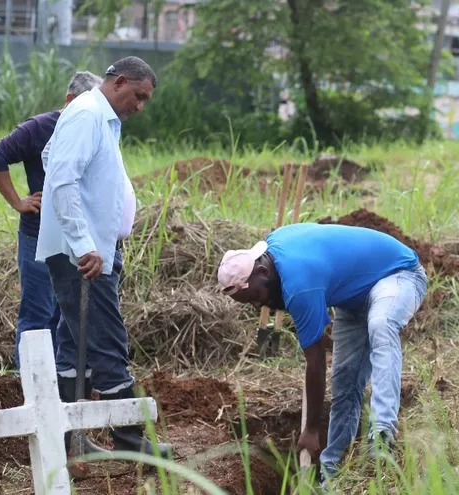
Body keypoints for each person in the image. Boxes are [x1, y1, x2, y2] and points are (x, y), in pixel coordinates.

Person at [216, 223, 428, 484]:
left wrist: (311, 430)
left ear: (262, 270)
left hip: (399, 275)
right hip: (353, 301)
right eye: (252, 303)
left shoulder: (297, 284)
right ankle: (332, 476)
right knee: (345, 385)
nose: (261, 305)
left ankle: (382, 434)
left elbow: (315, 363)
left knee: (381, 324)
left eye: (257, 295)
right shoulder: (274, 250)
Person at [36, 56, 173, 458]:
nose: (140, 106)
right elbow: (60, 178)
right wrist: (84, 242)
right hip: (83, 257)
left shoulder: (100, 117)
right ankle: (132, 441)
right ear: (119, 82)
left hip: (91, 252)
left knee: (73, 344)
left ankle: (70, 441)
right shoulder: (87, 114)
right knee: (106, 340)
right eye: (138, 96)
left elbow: (50, 157)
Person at [0, 71, 103, 370]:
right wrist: (18, 202)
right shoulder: (41, 127)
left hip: (75, 238)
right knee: (38, 312)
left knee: (64, 314)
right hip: (38, 234)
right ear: (69, 100)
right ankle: (29, 385)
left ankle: (57, 384)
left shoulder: (96, 129)